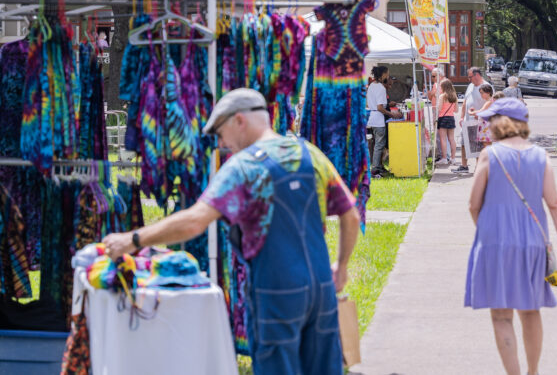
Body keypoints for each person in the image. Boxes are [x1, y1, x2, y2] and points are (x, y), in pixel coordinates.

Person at [102, 88, 360, 374]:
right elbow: (350, 214)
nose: (222, 143)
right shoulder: (309, 154)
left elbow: (195, 221)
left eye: (221, 132)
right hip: (322, 289)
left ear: (240, 121)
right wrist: (343, 265)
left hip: (275, 294)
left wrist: (133, 239)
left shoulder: (244, 167)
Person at [465, 98, 557, 375]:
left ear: (502, 122)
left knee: (502, 316)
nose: (488, 123)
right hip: (532, 243)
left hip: (494, 243)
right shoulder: (540, 156)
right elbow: (554, 204)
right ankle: (533, 371)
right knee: (530, 310)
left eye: (492, 118)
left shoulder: (489, 156)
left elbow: (473, 203)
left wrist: (487, 230)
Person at [368, 65, 401, 178]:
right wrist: (392, 114)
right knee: (379, 145)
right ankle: (375, 170)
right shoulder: (381, 88)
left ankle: (377, 167)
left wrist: (388, 105)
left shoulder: (372, 85)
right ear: (383, 75)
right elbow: (380, 107)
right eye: (387, 73)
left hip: (372, 118)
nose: (388, 76)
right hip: (378, 120)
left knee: (378, 145)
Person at [458, 67, 486, 173]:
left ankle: (478, 168)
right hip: (467, 119)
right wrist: (461, 117)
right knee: (464, 142)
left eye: (470, 77)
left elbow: (490, 104)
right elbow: (465, 102)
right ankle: (464, 165)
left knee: (477, 146)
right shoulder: (470, 86)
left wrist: (478, 113)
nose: (469, 79)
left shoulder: (486, 87)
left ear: (477, 75)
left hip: (478, 121)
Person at [436, 79, 458, 166]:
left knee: (443, 139)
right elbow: (456, 110)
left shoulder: (442, 96)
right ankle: (453, 158)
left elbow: (439, 108)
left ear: (443, 87)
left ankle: (444, 158)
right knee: (451, 139)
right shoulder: (454, 96)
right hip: (451, 118)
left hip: (443, 118)